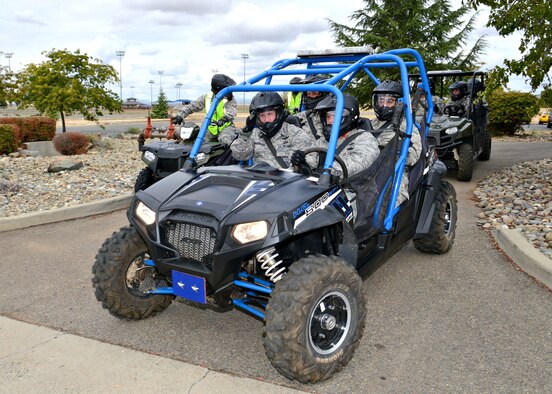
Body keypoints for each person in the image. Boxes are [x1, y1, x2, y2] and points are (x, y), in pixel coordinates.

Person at [230, 91, 317, 169]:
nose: (266, 119)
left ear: (278, 113)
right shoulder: (254, 134)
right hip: (261, 181)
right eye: (262, 115)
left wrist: (300, 163)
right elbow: (239, 156)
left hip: (287, 183)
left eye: (270, 114)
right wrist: (246, 132)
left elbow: (312, 162)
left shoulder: (295, 134)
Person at [371, 80, 422, 205]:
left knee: (391, 197)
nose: (384, 105)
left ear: (398, 103)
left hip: (394, 171)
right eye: (381, 100)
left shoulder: (407, 125)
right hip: (369, 169)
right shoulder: (371, 124)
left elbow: (414, 153)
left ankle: (389, 223)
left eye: (389, 101)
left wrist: (394, 154)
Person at [173, 74, 238, 146]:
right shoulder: (206, 97)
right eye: (226, 89)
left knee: (225, 142)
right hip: (208, 129)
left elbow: (232, 111)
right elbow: (192, 106)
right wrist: (180, 115)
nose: (229, 92)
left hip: (226, 127)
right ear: (218, 89)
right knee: (198, 143)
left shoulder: (229, 99)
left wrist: (225, 119)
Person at [294, 74, 331, 140]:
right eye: (308, 94)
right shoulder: (306, 115)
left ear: (323, 94)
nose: (311, 96)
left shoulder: (334, 115)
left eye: (314, 93)